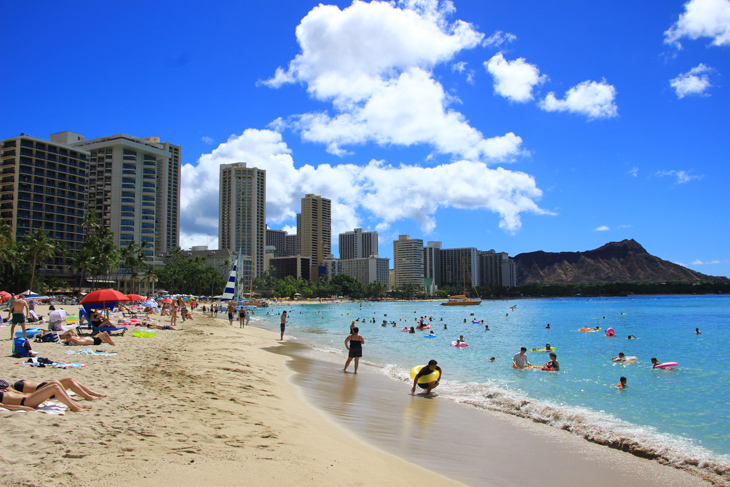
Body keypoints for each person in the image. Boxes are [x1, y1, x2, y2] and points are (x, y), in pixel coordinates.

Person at [0, 380, 85, 412]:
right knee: (54, 387)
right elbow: (4, 406)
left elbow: (14, 393)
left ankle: (71, 403)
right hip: (26, 402)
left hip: (27, 397)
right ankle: (74, 408)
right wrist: (22, 408)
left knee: (54, 382)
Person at [11, 378, 106, 401]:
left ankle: (91, 393)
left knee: (70, 379)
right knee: (69, 381)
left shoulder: (13, 385)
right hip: (44, 389)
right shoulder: (13, 389)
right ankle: (88, 396)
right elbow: (22, 395)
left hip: (44, 385)